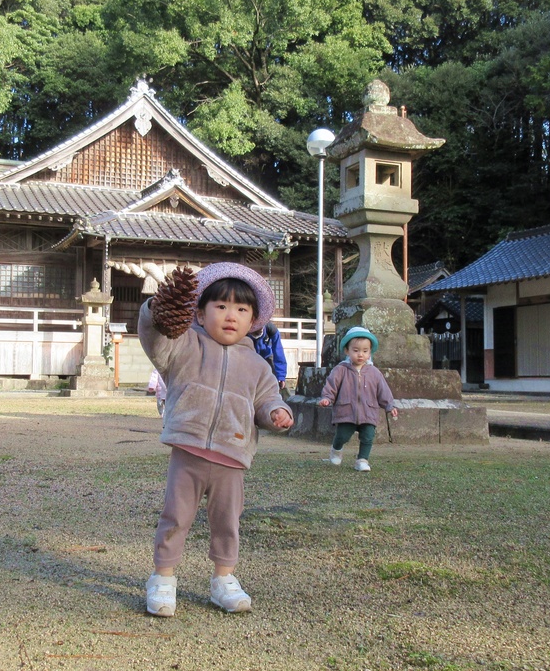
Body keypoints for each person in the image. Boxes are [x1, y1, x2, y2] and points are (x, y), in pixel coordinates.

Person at [138, 262, 294, 617]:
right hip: (188, 449)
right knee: (176, 516)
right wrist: (156, 311)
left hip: (232, 455)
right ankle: (163, 577)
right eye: (220, 306)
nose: (230, 315)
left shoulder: (258, 365)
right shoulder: (184, 345)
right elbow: (154, 338)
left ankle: (223, 578)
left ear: (253, 319)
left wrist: (275, 413)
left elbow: (267, 399)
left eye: (241, 309)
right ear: (199, 311)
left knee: (228, 520)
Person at [318, 326, 398, 473]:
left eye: (365, 351)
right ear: (347, 351)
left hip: (369, 411)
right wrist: (327, 398)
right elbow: (331, 385)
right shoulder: (341, 369)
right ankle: (336, 450)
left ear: (370, 352)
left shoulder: (374, 373)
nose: (360, 354)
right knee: (342, 435)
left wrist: (390, 406)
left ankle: (362, 460)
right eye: (356, 350)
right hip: (346, 410)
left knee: (368, 437)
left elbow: (383, 391)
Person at [251, 321, 288, 392]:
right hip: (249, 357)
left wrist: (281, 376)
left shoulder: (271, 330)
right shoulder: (243, 331)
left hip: (267, 356)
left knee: (273, 383)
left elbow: (279, 353)